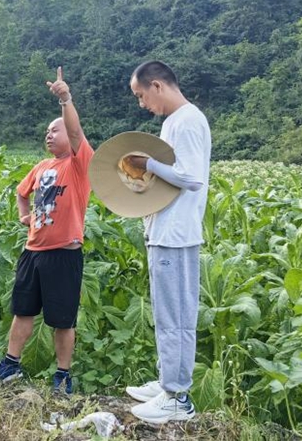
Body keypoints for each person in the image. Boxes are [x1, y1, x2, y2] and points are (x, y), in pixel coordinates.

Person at [0, 67, 94, 395]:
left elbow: (76, 133)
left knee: (62, 319)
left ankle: (62, 375)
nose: (49, 135)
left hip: (64, 254)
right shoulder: (41, 167)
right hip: (33, 252)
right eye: (47, 132)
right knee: (22, 311)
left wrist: (65, 99)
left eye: (56, 130)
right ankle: (10, 364)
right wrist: (25, 217)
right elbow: (22, 193)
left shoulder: (79, 164)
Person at [123, 60, 211, 424]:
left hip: (176, 235)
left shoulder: (188, 120)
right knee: (167, 313)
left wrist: (149, 164)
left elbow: (191, 178)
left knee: (175, 316)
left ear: (157, 86)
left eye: (142, 95)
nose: (142, 104)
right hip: (165, 230)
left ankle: (177, 397)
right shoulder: (173, 122)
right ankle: (167, 382)